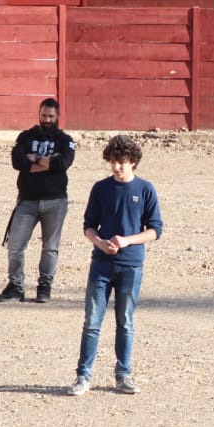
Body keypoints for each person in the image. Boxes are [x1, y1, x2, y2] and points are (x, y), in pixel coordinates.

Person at [68, 135, 163, 396]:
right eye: (112, 161)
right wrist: (100, 243)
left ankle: (123, 375)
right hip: (101, 264)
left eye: (121, 162)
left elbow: (155, 230)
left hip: (131, 265)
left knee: (125, 322)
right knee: (92, 322)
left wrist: (126, 241)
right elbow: (88, 226)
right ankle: (83, 376)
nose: (116, 167)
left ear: (133, 162)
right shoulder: (100, 188)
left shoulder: (145, 189)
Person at [0, 99, 76, 304]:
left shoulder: (65, 139)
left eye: (51, 116)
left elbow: (63, 163)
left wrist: (32, 159)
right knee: (15, 245)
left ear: (57, 116)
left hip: (55, 201)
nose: (47, 120)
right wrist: (48, 163)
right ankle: (16, 286)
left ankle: (45, 287)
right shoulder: (26, 136)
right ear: (39, 114)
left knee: (50, 247)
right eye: (44, 116)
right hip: (27, 200)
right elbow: (17, 162)